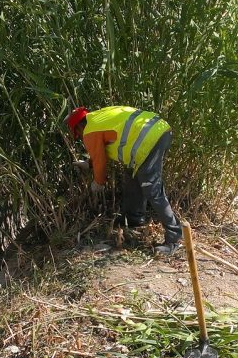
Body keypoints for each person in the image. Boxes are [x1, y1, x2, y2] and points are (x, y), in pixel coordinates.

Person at [64, 106, 183, 255]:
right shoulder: (98, 118)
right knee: (132, 176)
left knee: (152, 189)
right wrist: (89, 163)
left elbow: (100, 161)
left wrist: (98, 182)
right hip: (159, 130)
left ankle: (174, 239)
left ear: (79, 127)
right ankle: (134, 219)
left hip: (150, 140)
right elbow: (101, 150)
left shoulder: (89, 131)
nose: (81, 136)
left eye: (78, 133)